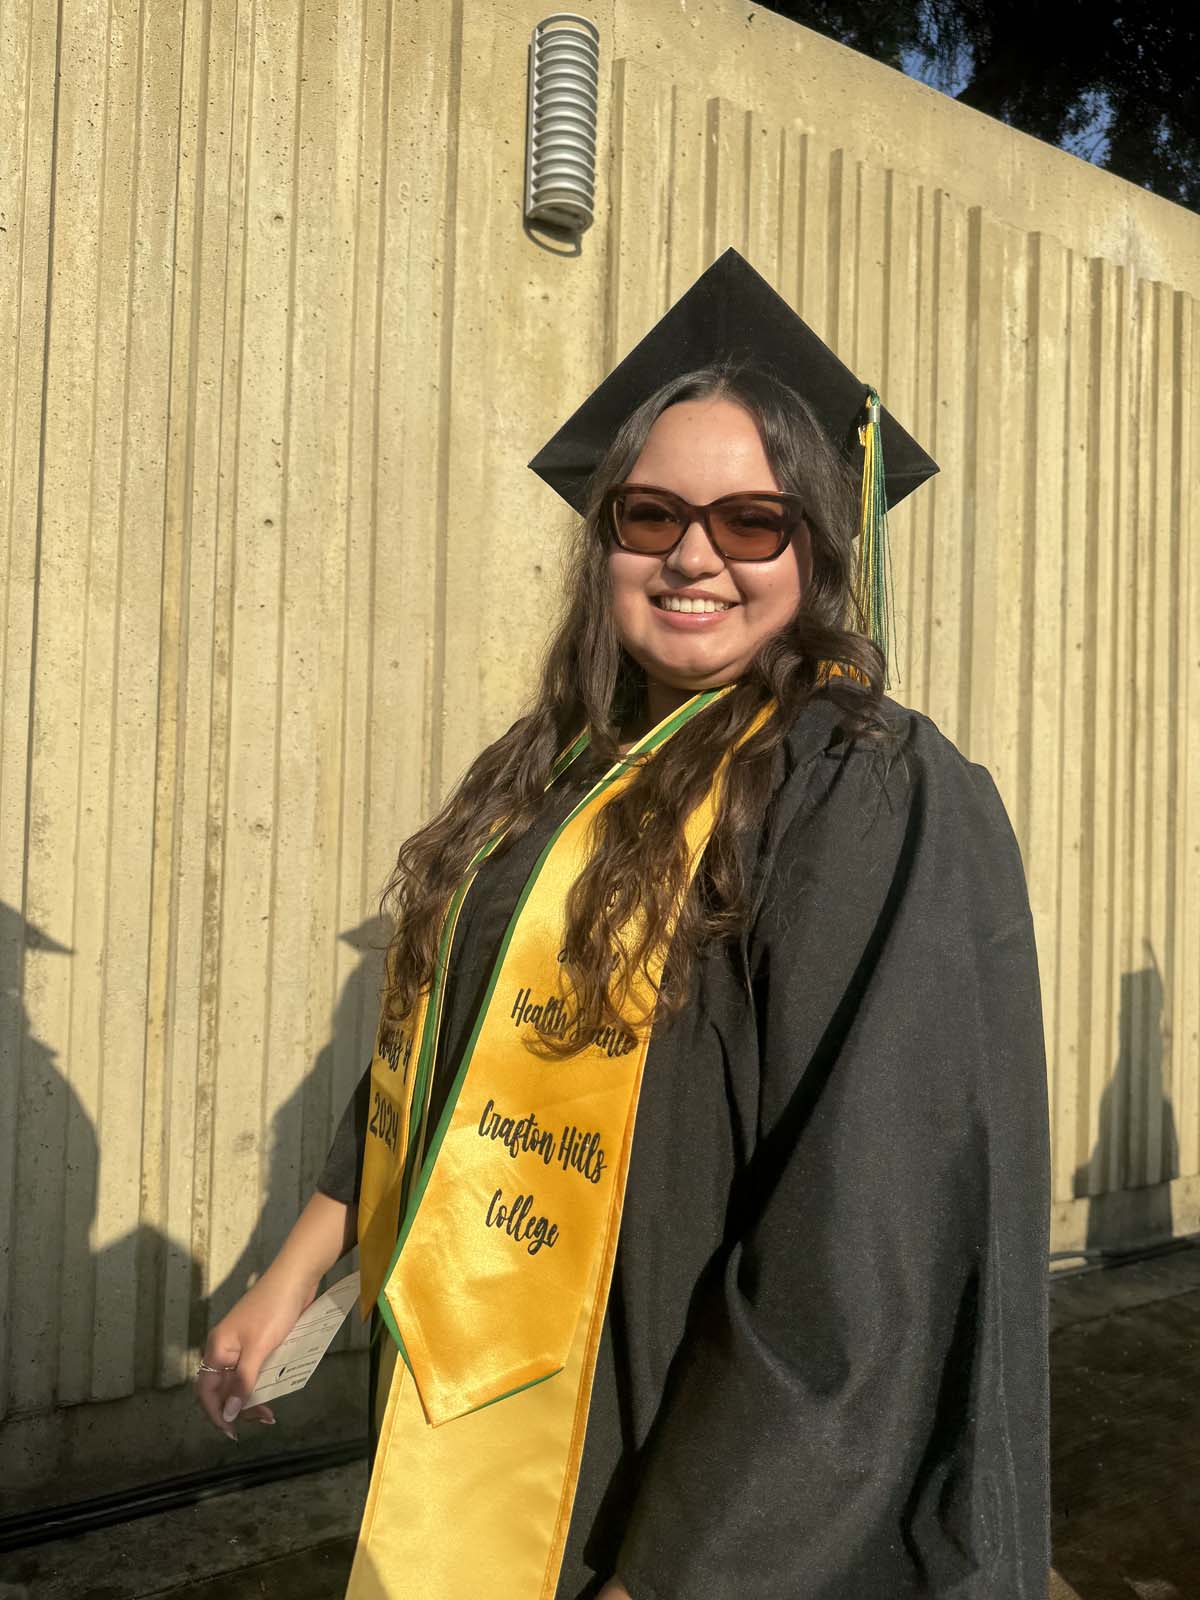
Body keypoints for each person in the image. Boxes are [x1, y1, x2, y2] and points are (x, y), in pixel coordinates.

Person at [196, 249, 1051, 1598]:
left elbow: (868, 1229)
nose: (696, 553)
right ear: (605, 542)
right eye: (651, 515)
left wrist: (687, 1565)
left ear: (818, 548)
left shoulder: (859, 787)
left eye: (751, 521)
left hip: (693, 1480)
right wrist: (294, 1271)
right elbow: (432, 1066)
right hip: (489, 1413)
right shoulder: (549, 781)